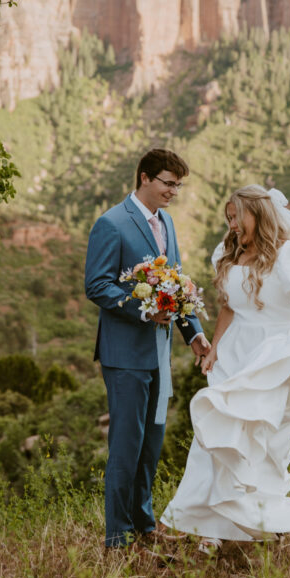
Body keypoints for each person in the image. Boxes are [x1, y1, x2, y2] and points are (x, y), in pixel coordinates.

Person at [161, 185, 290, 549]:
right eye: (229, 218)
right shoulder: (228, 254)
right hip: (233, 358)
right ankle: (210, 530)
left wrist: (289, 348)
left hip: (274, 359)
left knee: (268, 447)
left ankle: (271, 521)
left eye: (237, 216)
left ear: (258, 214)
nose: (232, 224)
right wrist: (214, 349)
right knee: (215, 438)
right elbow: (228, 308)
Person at [85, 148, 211, 549]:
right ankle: (117, 537)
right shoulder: (111, 223)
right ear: (144, 177)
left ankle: (145, 522)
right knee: (126, 446)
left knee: (151, 443)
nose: (174, 191)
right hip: (124, 355)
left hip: (160, 352)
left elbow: (172, 283)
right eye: (168, 183)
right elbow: (97, 285)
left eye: (178, 185)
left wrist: (193, 332)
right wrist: (143, 311)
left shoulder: (167, 223)